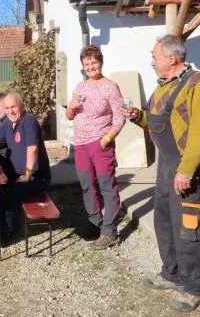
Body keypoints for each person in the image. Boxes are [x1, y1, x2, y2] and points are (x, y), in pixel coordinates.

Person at [121, 35, 200, 313]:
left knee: (190, 227)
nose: (152, 62)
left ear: (172, 58)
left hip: (189, 168)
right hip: (166, 165)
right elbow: (157, 122)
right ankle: (172, 273)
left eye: (155, 57)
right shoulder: (164, 87)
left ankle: (196, 286)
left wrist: (186, 170)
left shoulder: (197, 84)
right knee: (164, 220)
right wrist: (138, 116)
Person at [66, 45, 125, 250]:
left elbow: (119, 119)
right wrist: (71, 106)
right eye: (87, 64)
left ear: (100, 62)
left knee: (106, 186)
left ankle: (109, 231)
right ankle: (95, 223)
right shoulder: (80, 87)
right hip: (80, 144)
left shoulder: (111, 87)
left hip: (100, 143)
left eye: (94, 62)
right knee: (87, 185)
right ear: (83, 66)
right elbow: (70, 116)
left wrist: (106, 139)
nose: (91, 66)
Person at [0, 92, 50, 242]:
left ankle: (8, 231)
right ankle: (1, 224)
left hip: (35, 176)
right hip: (15, 174)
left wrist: (27, 174)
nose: (10, 111)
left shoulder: (29, 121)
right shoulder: (7, 124)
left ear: (21, 106)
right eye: (7, 108)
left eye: (13, 107)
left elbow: (32, 149)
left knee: (10, 195)